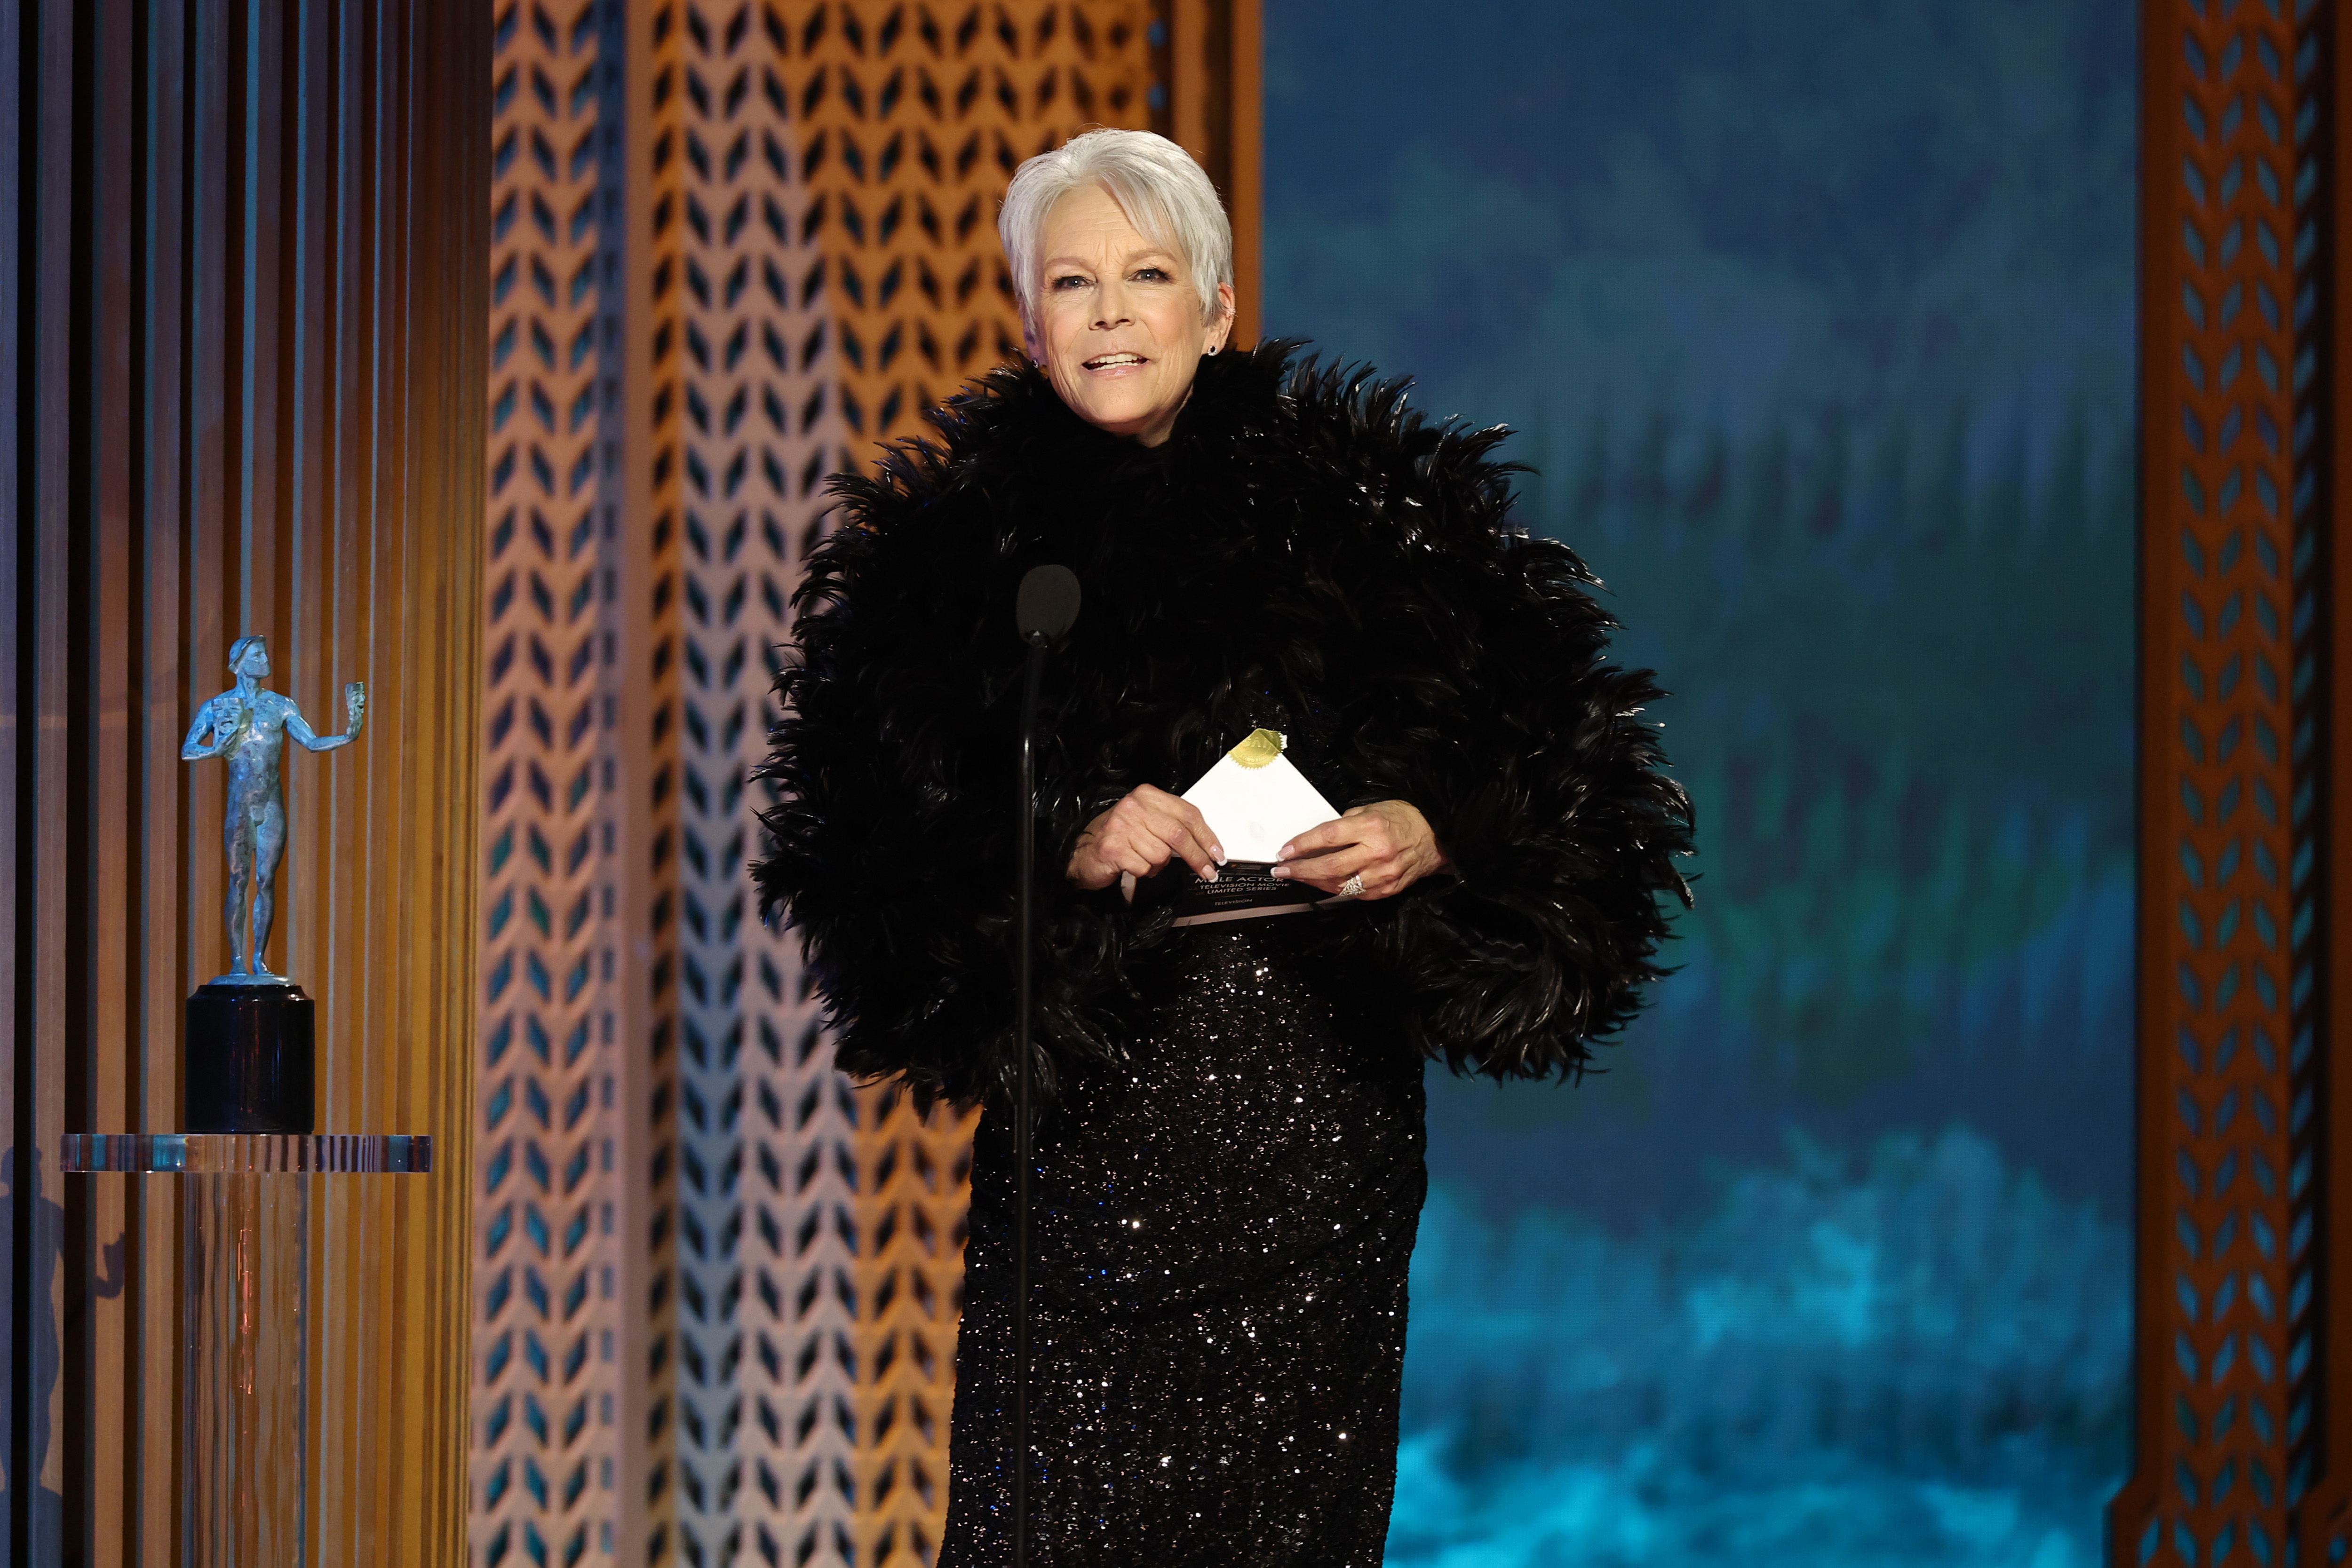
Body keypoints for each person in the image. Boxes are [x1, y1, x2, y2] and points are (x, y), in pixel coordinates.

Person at [754, 129, 1692, 1567]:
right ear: (1029, 318)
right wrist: (1063, 838)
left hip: (1314, 1139)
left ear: (1218, 304)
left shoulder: (1378, 523)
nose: (1113, 310)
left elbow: (1576, 775)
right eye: (1075, 280)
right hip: (1079, 1166)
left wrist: (1429, 829)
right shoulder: (948, 568)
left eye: (1148, 273)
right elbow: (864, 862)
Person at [181, 634, 366, 981]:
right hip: (240, 804)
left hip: (271, 803)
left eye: (265, 654)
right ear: (238, 663)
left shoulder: (281, 705)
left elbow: (310, 742)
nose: (264, 660)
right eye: (257, 655)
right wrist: (216, 751)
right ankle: (237, 960)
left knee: (266, 881)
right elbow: (188, 749)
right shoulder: (218, 707)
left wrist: (347, 734)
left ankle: (258, 959)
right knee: (238, 880)